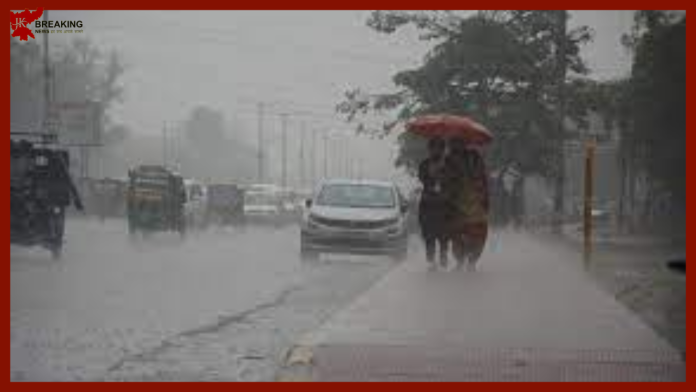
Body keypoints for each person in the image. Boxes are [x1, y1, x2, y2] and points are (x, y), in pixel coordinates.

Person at [443, 138, 489, 271]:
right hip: (455, 203)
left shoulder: (474, 157)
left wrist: (484, 199)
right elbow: (446, 180)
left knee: (477, 234)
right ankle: (460, 260)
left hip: (475, 201)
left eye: (457, 142)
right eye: (452, 143)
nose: (453, 145)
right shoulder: (448, 160)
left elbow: (482, 178)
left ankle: (472, 261)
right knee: (456, 234)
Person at [417, 136, 449, 269]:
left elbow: (453, 179)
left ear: (443, 150)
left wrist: (442, 176)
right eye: (432, 148)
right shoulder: (424, 164)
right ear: (429, 150)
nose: (435, 151)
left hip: (444, 204)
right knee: (428, 233)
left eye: (439, 148)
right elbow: (423, 178)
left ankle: (443, 253)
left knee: (444, 233)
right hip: (428, 203)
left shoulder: (449, 164)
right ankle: (431, 259)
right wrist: (432, 178)